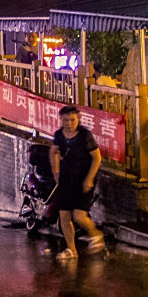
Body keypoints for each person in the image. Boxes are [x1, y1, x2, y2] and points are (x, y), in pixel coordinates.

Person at [49, 105, 106, 257]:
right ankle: (71, 250)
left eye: (73, 120)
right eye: (66, 120)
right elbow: (53, 151)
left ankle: (96, 234)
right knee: (64, 217)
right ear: (61, 119)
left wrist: (89, 178)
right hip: (66, 179)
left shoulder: (84, 136)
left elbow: (97, 157)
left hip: (83, 179)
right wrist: (56, 172)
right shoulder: (59, 135)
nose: (69, 123)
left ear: (78, 119)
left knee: (79, 216)